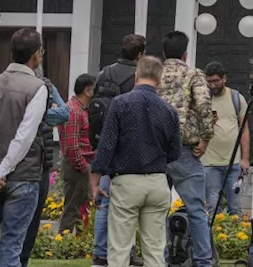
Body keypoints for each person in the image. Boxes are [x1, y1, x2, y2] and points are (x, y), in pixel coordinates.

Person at [0, 28, 50, 267]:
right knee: (12, 245)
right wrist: (1, 172)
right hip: (22, 175)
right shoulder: (37, 88)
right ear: (36, 55)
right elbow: (25, 136)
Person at [90, 56, 181, 267]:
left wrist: (95, 178)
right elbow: (175, 152)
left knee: (120, 249)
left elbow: (106, 145)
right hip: (157, 181)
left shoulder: (120, 103)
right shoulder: (169, 110)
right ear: (160, 79)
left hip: (127, 181)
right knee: (155, 250)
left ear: (136, 75)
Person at [156, 31, 215, 267]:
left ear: (164, 52)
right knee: (196, 210)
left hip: (155, 148)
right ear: (185, 53)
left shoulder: (154, 74)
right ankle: (202, 261)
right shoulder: (193, 74)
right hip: (183, 148)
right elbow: (203, 105)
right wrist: (206, 138)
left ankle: (158, 259)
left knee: (156, 211)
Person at [90, 34, 147, 267]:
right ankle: (127, 253)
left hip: (103, 143)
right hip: (126, 147)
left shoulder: (104, 73)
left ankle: (100, 253)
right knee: (128, 205)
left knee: (104, 200)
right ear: (140, 55)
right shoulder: (137, 77)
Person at [20, 64, 72, 267]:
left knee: (30, 219)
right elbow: (62, 113)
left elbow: (63, 113)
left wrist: (39, 113)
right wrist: (50, 98)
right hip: (33, 163)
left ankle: (21, 260)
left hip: (40, 161)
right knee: (26, 220)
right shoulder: (39, 92)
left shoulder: (44, 89)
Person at [203, 62, 250, 216]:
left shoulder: (236, 98)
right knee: (212, 207)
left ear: (224, 79)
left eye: (216, 81)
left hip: (234, 164)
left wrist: (244, 158)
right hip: (209, 164)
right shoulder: (203, 99)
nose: (212, 85)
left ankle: (235, 238)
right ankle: (211, 239)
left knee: (235, 207)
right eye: (209, 81)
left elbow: (244, 130)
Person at [57, 73, 97, 234]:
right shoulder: (74, 111)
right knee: (73, 205)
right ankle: (64, 239)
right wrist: (83, 167)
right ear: (88, 90)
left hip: (80, 162)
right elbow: (72, 146)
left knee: (83, 204)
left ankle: (79, 240)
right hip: (76, 164)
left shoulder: (79, 109)